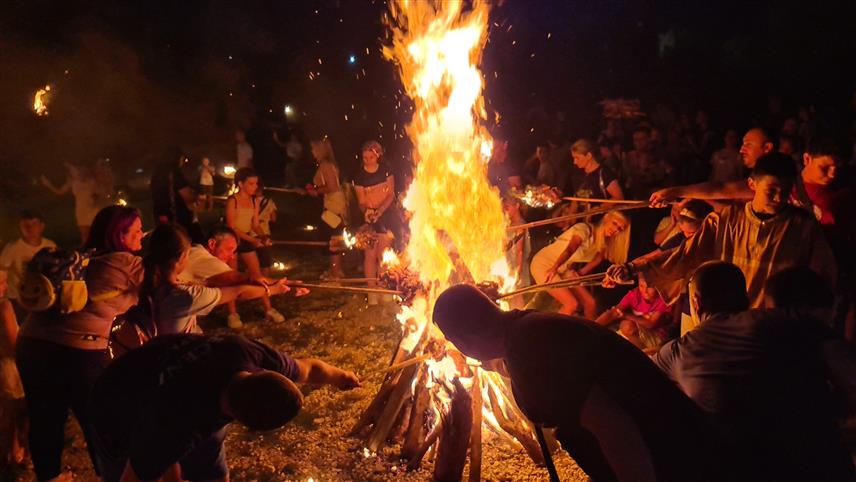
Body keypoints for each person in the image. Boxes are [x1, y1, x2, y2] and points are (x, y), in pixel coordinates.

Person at [433, 284, 721, 481]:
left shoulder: (530, 349)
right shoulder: (526, 332)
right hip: (668, 450)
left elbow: (614, 427)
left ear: (462, 340)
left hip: (671, 459)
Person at [653, 262, 855, 481]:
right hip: (823, 466)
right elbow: (849, 373)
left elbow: (631, 376)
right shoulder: (791, 321)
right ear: (745, 296)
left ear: (696, 302)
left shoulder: (677, 352)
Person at [90, 333, 360, 482]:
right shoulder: (177, 423)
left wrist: (341, 376)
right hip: (114, 402)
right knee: (145, 466)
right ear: (241, 422)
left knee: (204, 468)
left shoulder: (244, 352)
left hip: (166, 384)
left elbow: (309, 368)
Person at [608, 153, 838, 311]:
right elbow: (682, 254)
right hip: (731, 321)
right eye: (772, 190)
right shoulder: (726, 220)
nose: (778, 198)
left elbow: (823, 277)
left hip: (776, 329)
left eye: (785, 191)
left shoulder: (803, 227)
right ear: (752, 185)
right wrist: (634, 267)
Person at [16, 205, 144, 481]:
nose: (142, 235)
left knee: (45, 418)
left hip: (31, 343)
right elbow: (172, 286)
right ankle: (113, 476)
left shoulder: (79, 259)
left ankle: (49, 477)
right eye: (136, 230)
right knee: (100, 421)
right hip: (79, 353)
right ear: (120, 235)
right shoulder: (127, 263)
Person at [128, 224, 292, 337]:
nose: (231, 256)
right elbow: (239, 286)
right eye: (229, 250)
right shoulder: (188, 292)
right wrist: (277, 287)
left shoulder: (151, 282)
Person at [178, 226, 298, 329]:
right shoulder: (201, 257)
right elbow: (239, 281)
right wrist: (285, 285)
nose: (231, 256)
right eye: (229, 250)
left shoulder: (195, 253)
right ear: (212, 244)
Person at [530, 211, 630, 318]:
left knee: (591, 303)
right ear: (606, 219)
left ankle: (589, 332)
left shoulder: (603, 243)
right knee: (572, 304)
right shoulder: (584, 229)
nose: (615, 230)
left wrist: (580, 273)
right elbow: (570, 249)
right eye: (614, 223)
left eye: (620, 228)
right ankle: (550, 332)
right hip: (545, 264)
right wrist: (555, 267)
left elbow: (597, 260)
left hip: (564, 269)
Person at [649, 127, 775, 207]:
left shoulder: (772, 174)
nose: (742, 150)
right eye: (742, 144)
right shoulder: (757, 174)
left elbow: (724, 190)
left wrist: (676, 191)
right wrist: (688, 197)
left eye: (748, 144)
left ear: (767, 148)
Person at [224, 168, 284, 322]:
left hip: (246, 239)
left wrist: (263, 237)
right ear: (240, 184)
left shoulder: (253, 201)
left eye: (256, 183)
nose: (255, 187)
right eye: (251, 183)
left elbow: (255, 224)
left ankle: (268, 309)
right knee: (232, 277)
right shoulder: (233, 200)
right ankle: (232, 313)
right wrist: (253, 240)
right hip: (231, 240)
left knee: (258, 275)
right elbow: (232, 227)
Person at [352, 140, 399, 305]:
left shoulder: (386, 171)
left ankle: (384, 287)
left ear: (378, 156)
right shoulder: (359, 177)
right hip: (369, 218)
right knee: (369, 255)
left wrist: (380, 211)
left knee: (383, 253)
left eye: (371, 157)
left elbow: (391, 194)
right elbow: (361, 200)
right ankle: (371, 289)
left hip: (386, 216)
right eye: (365, 157)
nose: (368, 160)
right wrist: (368, 212)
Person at [0, 210, 57, 319]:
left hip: (44, 299)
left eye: (33, 224)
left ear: (41, 226)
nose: (29, 229)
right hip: (19, 299)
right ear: (20, 227)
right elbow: (2, 272)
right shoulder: (13, 248)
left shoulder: (50, 246)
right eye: (25, 225)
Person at [595, 272, 671, 352]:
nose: (645, 291)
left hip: (657, 336)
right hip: (639, 333)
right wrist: (591, 326)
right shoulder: (634, 294)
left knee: (626, 326)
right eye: (641, 286)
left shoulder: (663, 298)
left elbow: (650, 323)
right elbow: (614, 312)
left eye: (649, 287)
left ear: (657, 285)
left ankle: (647, 355)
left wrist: (626, 315)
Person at [306, 138, 349, 280]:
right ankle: (335, 270)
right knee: (333, 237)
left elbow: (332, 187)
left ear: (320, 149)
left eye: (313, 148)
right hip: (333, 204)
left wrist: (316, 191)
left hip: (334, 206)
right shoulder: (327, 164)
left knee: (334, 239)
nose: (312, 151)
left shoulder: (326, 165)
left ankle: (336, 274)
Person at [41, 162, 107, 244]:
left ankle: (99, 251)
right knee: (84, 234)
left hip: (93, 209)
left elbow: (101, 192)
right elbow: (60, 192)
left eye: (74, 169)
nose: (73, 171)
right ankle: (86, 254)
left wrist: (97, 197)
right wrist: (48, 184)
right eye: (71, 170)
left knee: (95, 232)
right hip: (81, 209)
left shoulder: (91, 180)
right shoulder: (72, 182)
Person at [0, 270, 27, 467]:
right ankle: (11, 451)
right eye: (1, 282)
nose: (6, 286)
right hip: (7, 366)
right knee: (12, 411)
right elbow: (12, 342)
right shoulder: (4, 306)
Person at [150, 147, 204, 244]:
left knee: (168, 242)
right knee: (184, 242)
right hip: (177, 215)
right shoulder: (174, 173)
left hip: (160, 214)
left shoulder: (157, 172)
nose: (183, 162)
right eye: (182, 159)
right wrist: (198, 195)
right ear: (176, 158)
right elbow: (186, 193)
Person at [561, 139, 623, 216]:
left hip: (603, 220)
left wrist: (600, 208)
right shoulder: (578, 174)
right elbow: (577, 197)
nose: (574, 162)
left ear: (588, 156)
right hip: (584, 221)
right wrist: (571, 215)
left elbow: (618, 197)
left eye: (577, 158)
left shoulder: (604, 173)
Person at [503, 197, 531, 310]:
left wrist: (517, 271)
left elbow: (520, 250)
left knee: (516, 296)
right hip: (509, 264)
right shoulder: (510, 224)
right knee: (510, 297)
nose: (505, 210)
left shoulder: (520, 225)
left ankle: (519, 320)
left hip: (515, 266)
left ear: (517, 206)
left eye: (507, 207)